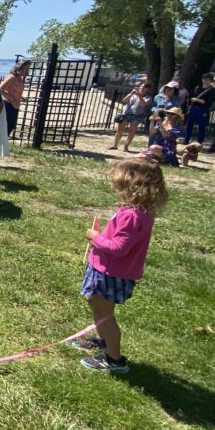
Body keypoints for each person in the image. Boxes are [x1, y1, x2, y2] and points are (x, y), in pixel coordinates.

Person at [71, 158, 167, 373]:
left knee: (105, 314)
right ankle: (103, 340)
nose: (115, 188)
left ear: (132, 186)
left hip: (110, 273)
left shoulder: (132, 216)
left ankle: (114, 359)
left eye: (118, 184)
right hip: (107, 270)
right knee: (97, 306)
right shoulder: (136, 212)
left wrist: (95, 238)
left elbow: (118, 248)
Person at [109, 82, 151, 152]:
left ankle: (126, 146)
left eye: (144, 87)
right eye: (141, 86)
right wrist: (131, 94)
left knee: (132, 131)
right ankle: (115, 145)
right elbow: (124, 100)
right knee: (119, 130)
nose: (142, 88)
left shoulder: (148, 97)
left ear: (147, 89)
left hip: (137, 115)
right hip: (126, 114)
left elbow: (144, 105)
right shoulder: (133, 94)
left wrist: (140, 96)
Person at [0, 59, 31, 137]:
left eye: (28, 68)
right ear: (20, 68)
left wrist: (22, 97)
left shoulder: (20, 78)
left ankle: (3, 145)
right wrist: (11, 99)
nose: (27, 70)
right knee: (5, 127)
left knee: (11, 126)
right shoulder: (12, 77)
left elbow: (14, 91)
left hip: (15, 106)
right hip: (8, 105)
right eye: (26, 68)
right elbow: (0, 89)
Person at [184, 73, 215, 145]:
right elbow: (190, 96)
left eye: (208, 80)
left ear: (211, 81)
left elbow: (208, 102)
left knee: (202, 127)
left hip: (203, 109)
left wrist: (197, 100)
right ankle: (186, 141)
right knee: (189, 126)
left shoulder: (211, 90)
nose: (205, 81)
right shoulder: (197, 88)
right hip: (193, 108)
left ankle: (199, 143)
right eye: (204, 79)